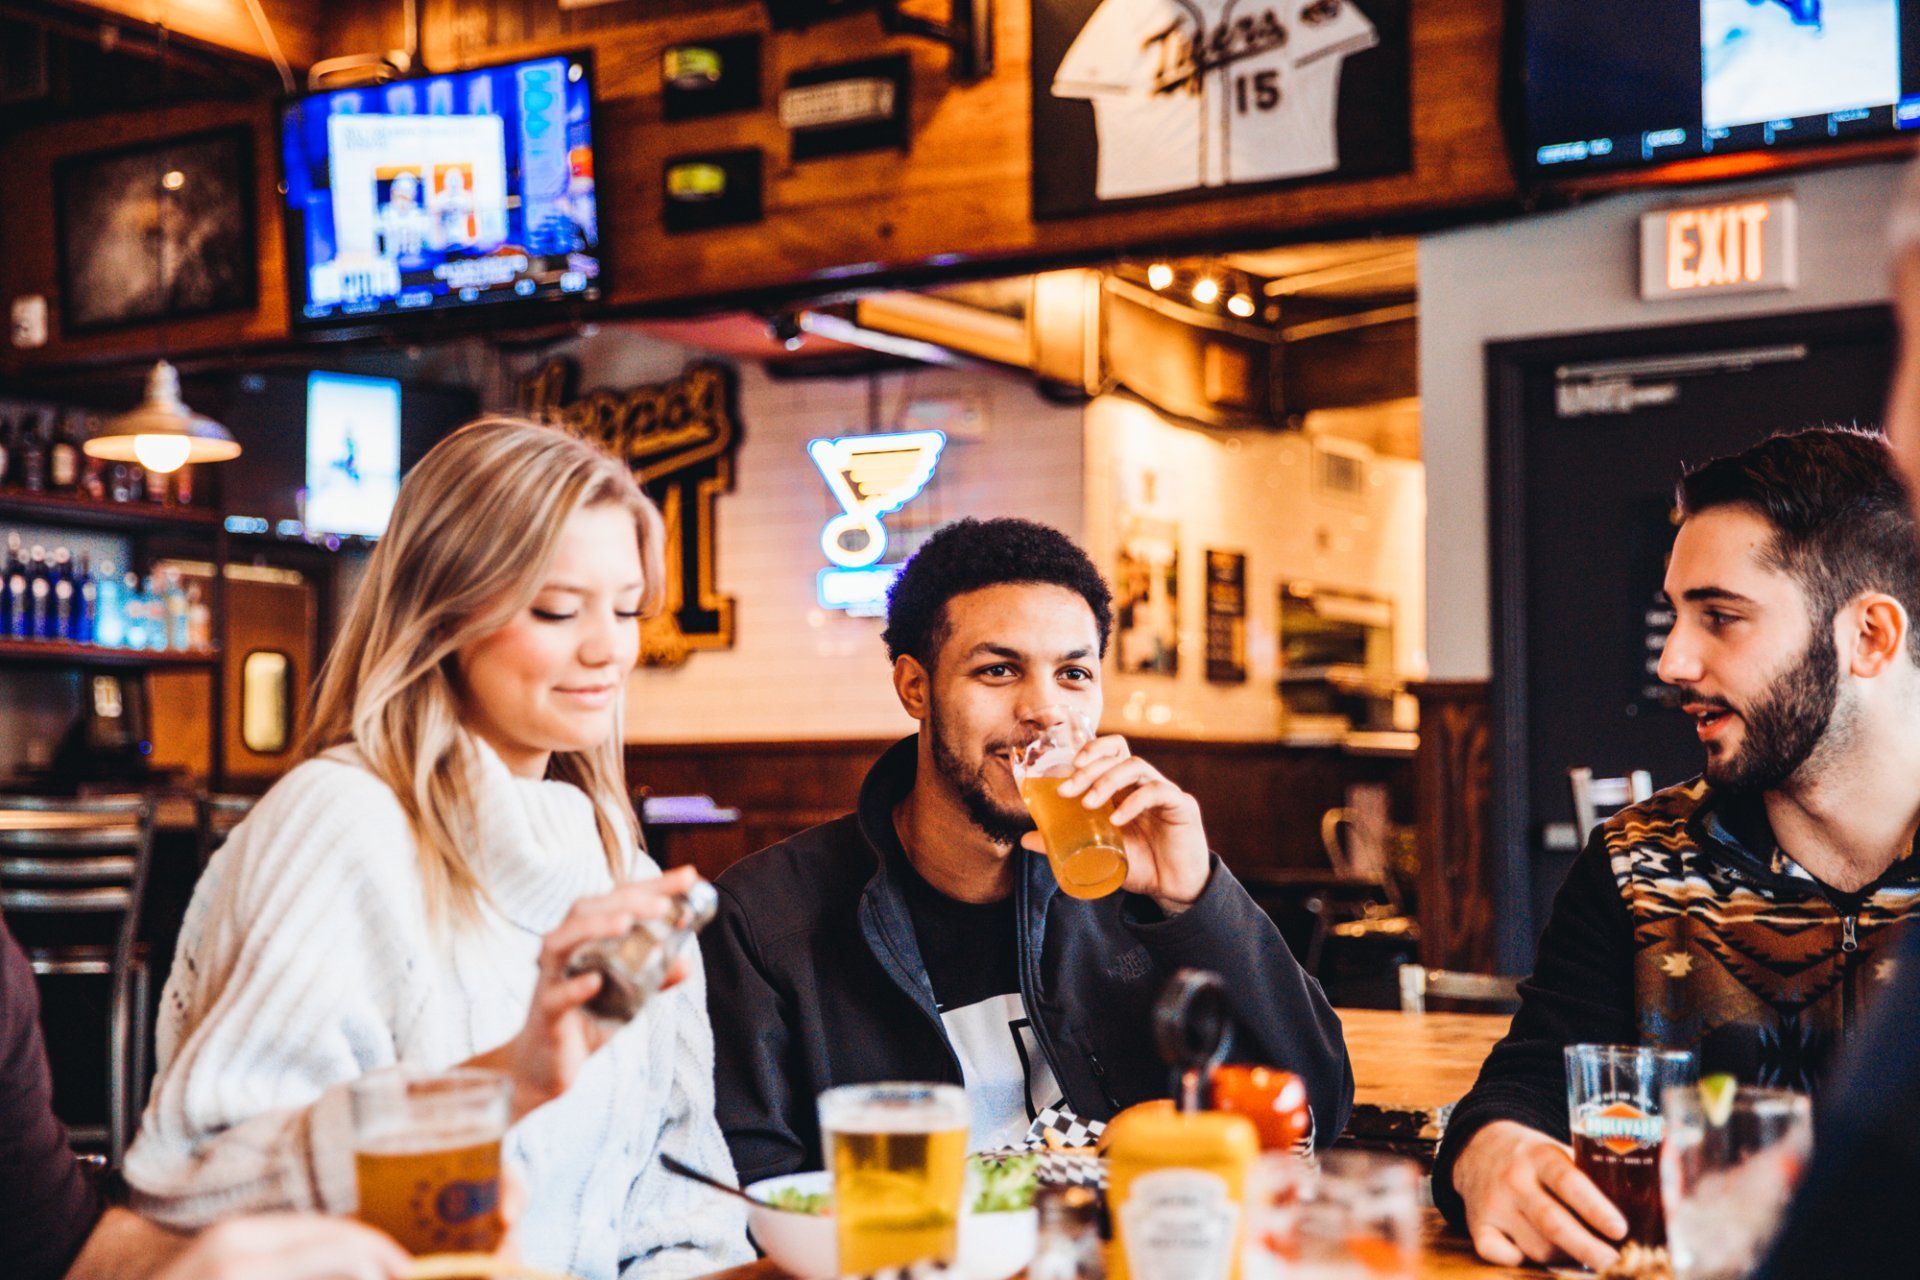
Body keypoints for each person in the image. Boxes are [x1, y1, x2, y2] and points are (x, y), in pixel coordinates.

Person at [122, 418, 752, 1280]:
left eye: (627, 608)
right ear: (440, 614)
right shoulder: (343, 824)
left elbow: (687, 1211)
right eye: (557, 609)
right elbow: (197, 1190)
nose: (609, 647)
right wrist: (502, 1085)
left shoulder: (626, 876)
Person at [702, 517, 1352, 1185]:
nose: (1045, 709)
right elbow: (749, 1189)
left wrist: (1195, 901)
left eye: (1073, 673)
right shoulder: (765, 920)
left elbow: (1317, 1111)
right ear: (915, 687)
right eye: (998, 670)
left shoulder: (1135, 892)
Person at [1434, 425, 1920, 1270]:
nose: (1672, 660)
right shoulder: (1635, 862)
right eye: (1676, 616)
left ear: (1870, 637)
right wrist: (1490, 1153)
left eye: (1720, 618)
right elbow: (1527, 1087)